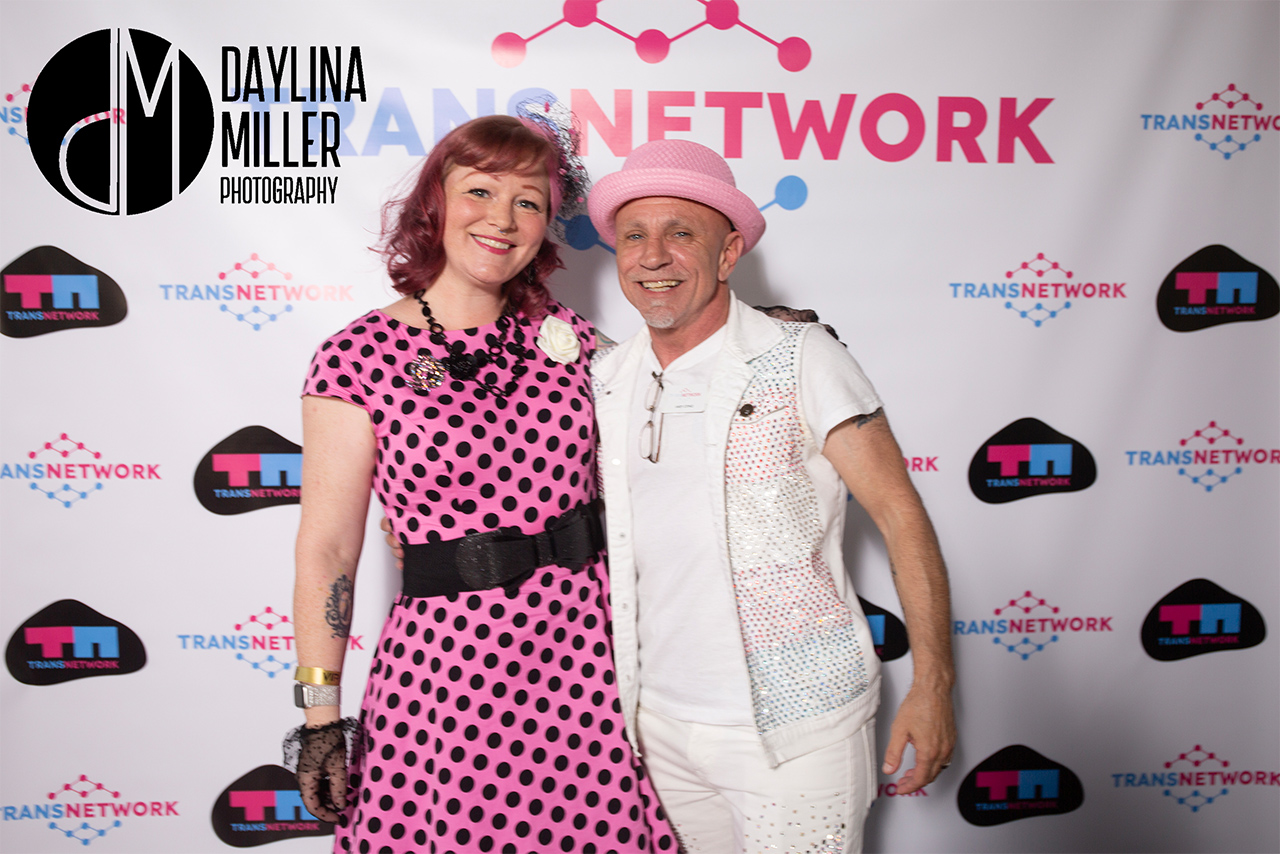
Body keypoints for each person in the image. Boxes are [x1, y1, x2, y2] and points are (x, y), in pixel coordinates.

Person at [290, 111, 677, 854]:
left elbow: (676, 434)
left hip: (585, 667)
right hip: (447, 679)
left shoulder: (581, 346)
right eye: (480, 191)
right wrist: (319, 717)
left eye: (528, 201)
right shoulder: (354, 358)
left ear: (545, 225)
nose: (502, 219)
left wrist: (763, 341)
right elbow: (328, 551)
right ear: (436, 200)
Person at [582, 140, 957, 853]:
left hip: (797, 728)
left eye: (680, 233)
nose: (653, 256)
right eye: (635, 236)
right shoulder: (606, 379)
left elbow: (902, 518)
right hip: (654, 725)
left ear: (727, 255)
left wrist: (934, 687)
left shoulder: (802, 356)